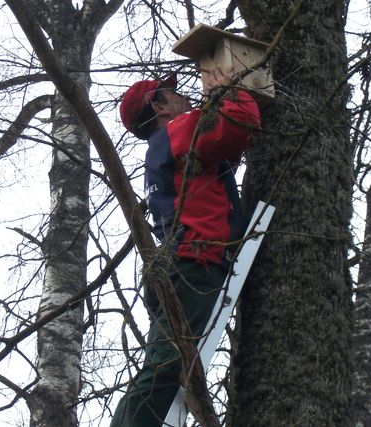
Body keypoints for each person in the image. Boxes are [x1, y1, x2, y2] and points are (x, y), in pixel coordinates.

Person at [111, 69, 260, 427]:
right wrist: (231, 90)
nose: (184, 96)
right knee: (165, 365)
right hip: (196, 263)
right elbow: (242, 123)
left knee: (162, 363)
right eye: (170, 93)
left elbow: (220, 152)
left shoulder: (168, 146)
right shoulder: (180, 131)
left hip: (177, 265)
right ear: (160, 107)